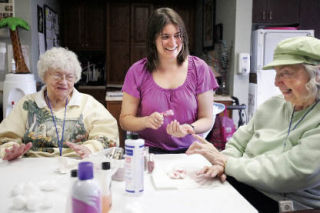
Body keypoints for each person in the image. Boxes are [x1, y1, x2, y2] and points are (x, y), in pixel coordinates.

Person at [187, 36, 320, 212]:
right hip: (247, 185)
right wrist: (221, 164)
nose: (276, 82)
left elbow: (291, 172)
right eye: (276, 73)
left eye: (286, 73)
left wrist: (226, 163)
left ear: (317, 75)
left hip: (287, 204)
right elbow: (239, 142)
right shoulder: (272, 105)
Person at [119, 8, 218, 154]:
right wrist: (145, 121)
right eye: (165, 36)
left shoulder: (200, 69)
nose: (173, 43)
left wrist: (190, 128)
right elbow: (125, 120)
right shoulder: (137, 71)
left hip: (191, 152)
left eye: (177, 35)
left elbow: (207, 118)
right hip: (149, 153)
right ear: (153, 40)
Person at [0, 47, 119, 161]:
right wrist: (9, 150)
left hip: (76, 164)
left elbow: (108, 135)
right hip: (32, 165)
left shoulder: (88, 104)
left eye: (69, 77)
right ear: (45, 76)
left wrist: (90, 148)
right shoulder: (27, 104)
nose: (63, 82)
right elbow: (6, 136)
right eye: (57, 75)